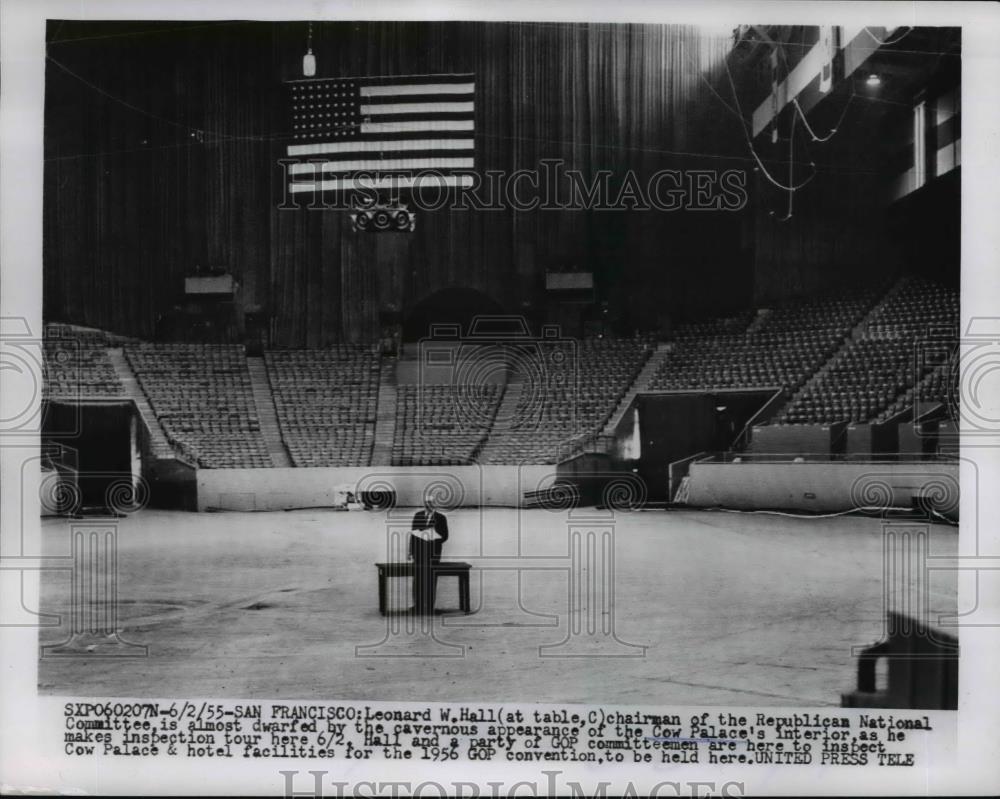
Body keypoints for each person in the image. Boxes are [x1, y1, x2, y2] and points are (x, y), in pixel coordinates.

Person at [408, 497, 449, 614]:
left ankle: (429, 607)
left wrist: (433, 537)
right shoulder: (418, 515)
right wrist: (410, 551)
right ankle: (418, 606)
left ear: (435, 504)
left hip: (433, 553)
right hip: (419, 553)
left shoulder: (441, 518)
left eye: (430, 503)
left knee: (431, 579)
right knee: (418, 580)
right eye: (426, 503)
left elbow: (445, 536)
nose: (428, 505)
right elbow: (413, 534)